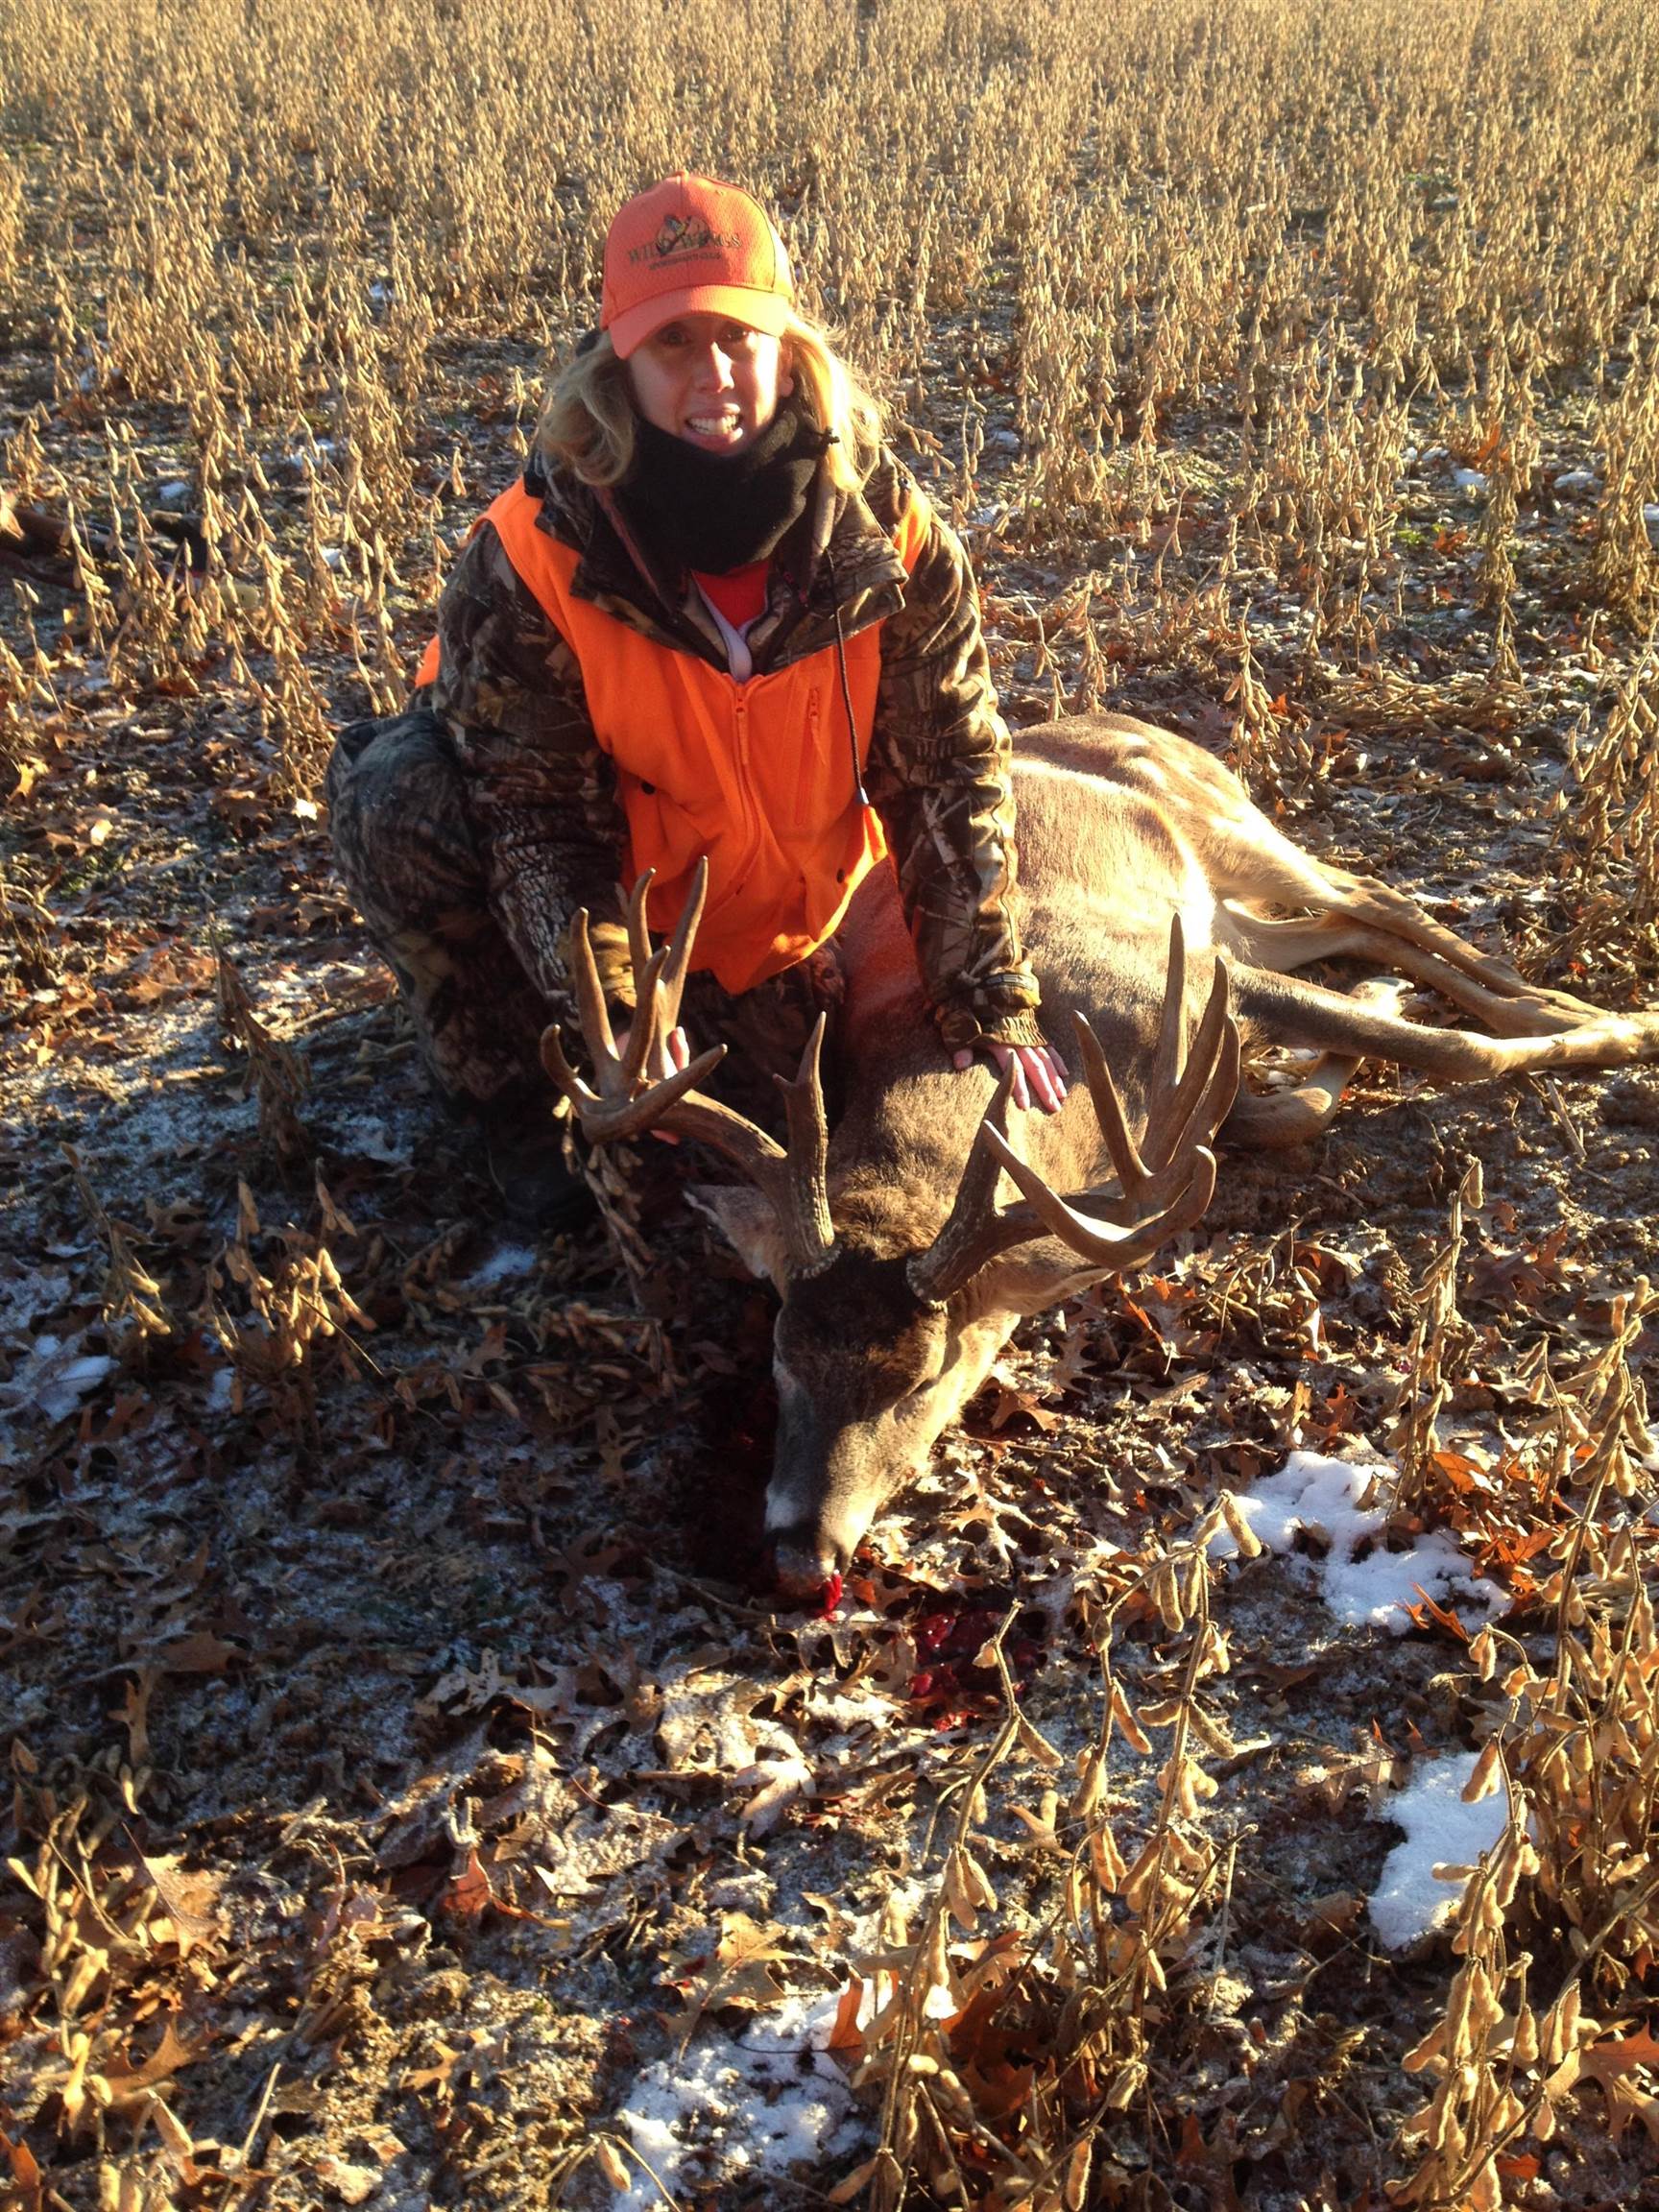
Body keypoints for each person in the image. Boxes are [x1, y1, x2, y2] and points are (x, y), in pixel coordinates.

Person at [327, 173, 1066, 1223]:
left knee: (779, 1171)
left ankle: (740, 999)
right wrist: (622, 1010)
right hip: (620, 903)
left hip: (777, 917)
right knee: (399, 797)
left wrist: (983, 993)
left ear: (789, 350)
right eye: (674, 344)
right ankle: (500, 1096)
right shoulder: (534, 551)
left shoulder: (886, 532)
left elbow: (948, 764)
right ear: (618, 361)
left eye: (738, 338)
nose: (714, 374)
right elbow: (536, 823)